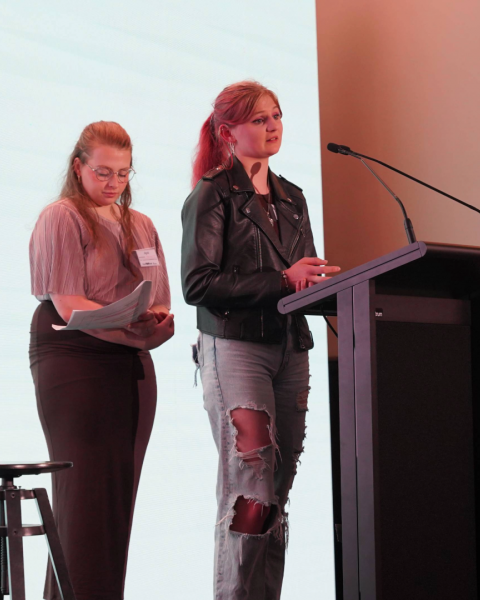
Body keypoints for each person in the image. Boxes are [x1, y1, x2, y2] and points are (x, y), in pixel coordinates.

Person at [181, 81, 340, 600]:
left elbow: (306, 275)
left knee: (277, 488)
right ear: (228, 131)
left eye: (276, 116)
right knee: (251, 488)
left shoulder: (293, 196)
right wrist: (282, 280)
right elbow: (197, 285)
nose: (272, 126)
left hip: (289, 346)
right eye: (258, 119)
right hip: (236, 348)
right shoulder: (213, 192)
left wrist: (322, 285)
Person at [29, 121, 174, 600]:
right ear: (78, 167)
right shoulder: (62, 216)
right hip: (75, 358)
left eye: (123, 174)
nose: (113, 183)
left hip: (129, 361)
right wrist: (125, 320)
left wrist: (154, 326)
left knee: (116, 504)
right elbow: (69, 305)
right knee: (86, 503)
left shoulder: (142, 225)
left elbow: (162, 303)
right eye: (102, 172)